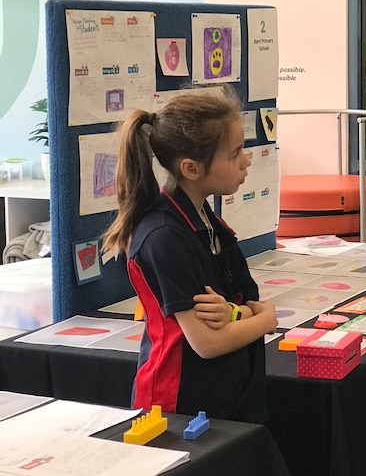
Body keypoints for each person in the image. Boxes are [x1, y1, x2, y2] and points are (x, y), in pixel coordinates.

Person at [102, 88, 277, 423]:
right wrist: (266, 318)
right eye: (235, 153)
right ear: (192, 168)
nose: (247, 160)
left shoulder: (206, 220)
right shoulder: (163, 237)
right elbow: (207, 342)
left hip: (228, 390)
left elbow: (245, 299)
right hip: (181, 403)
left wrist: (236, 313)